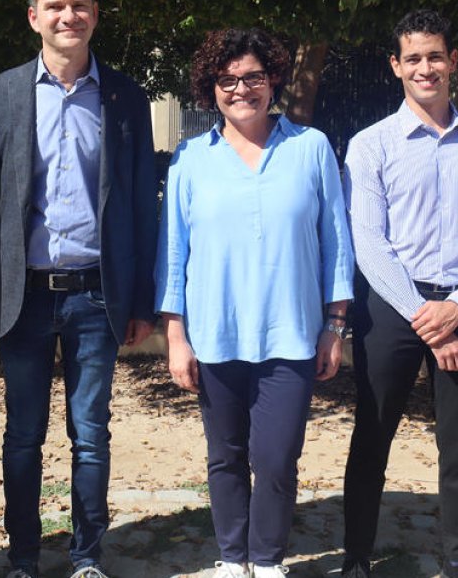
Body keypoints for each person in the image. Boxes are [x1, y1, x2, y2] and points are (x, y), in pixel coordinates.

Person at [0, 0, 158, 578]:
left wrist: (139, 301)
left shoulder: (126, 96)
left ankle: (84, 557)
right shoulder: (4, 93)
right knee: (23, 435)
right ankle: (24, 556)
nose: (68, 15)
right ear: (34, 17)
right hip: (23, 297)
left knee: (91, 434)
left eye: (79, 4)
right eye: (54, 6)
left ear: (96, 14)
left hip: (96, 296)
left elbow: (138, 202)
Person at [156, 29, 355, 578]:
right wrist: (176, 335)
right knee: (224, 457)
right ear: (210, 89)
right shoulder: (191, 158)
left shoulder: (311, 148)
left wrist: (335, 325)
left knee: (274, 458)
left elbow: (337, 242)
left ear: (272, 82)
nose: (240, 89)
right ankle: (231, 558)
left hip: (291, 334)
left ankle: (266, 562)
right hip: (215, 335)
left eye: (252, 77)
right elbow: (173, 253)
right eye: (227, 80)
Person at [340, 9, 458, 578]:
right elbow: (368, 242)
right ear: (396, 66)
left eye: (435, 56)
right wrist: (427, 318)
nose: (425, 68)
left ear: (453, 61)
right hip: (393, 308)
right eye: (412, 58)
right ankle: (355, 559)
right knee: (372, 435)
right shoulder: (371, 146)